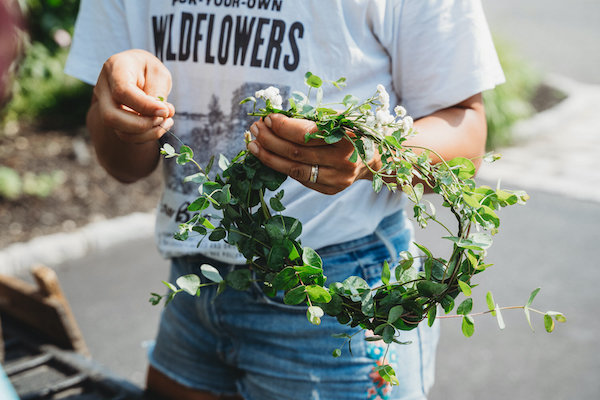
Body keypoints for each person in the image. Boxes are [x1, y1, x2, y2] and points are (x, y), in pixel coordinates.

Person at [65, 1, 503, 399]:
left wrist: (372, 152)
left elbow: (465, 132)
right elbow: (123, 165)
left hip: (335, 295)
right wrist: (126, 114)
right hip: (195, 283)